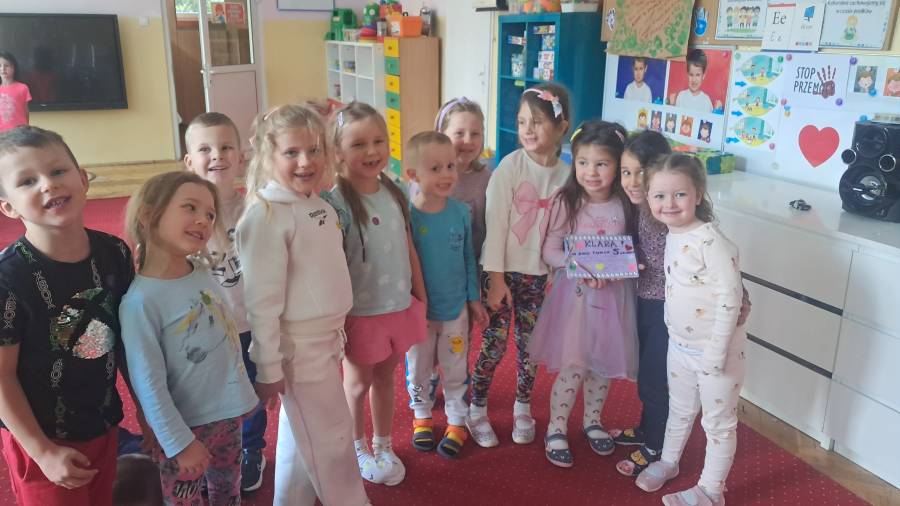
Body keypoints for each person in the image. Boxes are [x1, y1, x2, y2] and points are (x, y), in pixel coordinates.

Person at [237, 104, 370, 505]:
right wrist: (268, 366)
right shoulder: (266, 216)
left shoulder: (316, 204)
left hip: (326, 340)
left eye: (313, 150)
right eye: (291, 152)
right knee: (332, 437)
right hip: (300, 348)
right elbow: (261, 302)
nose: (305, 162)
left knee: (304, 433)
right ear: (268, 156)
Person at [0, 126, 135, 506]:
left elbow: (128, 344)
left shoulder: (115, 254)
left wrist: (148, 414)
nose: (48, 184)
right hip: (41, 438)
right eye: (27, 181)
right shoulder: (8, 279)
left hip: (102, 423)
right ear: (8, 207)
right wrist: (42, 451)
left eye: (58, 171)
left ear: (84, 179)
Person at [120, 171, 258, 505]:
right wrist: (178, 443)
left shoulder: (203, 273)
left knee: (228, 490)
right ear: (149, 215)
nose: (203, 220)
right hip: (183, 429)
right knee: (185, 499)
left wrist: (240, 398)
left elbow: (224, 341)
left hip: (226, 420)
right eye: (190, 207)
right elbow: (148, 383)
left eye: (210, 214)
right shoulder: (141, 302)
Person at [634, 154, 747, 506]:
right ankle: (669, 461)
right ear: (648, 198)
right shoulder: (672, 233)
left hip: (717, 352)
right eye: (659, 195)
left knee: (718, 423)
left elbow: (731, 297)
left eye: (679, 194)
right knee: (680, 408)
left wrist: (716, 351)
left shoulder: (711, 242)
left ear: (698, 194)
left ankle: (712, 491)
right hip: (680, 345)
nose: (669, 204)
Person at [327, 101, 427, 486]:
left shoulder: (395, 190)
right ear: (338, 152)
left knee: (387, 378)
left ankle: (383, 444)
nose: (372, 151)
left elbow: (408, 245)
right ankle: (355, 447)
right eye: (358, 144)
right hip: (360, 314)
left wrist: (420, 295)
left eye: (378, 141)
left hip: (398, 306)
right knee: (356, 385)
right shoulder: (335, 203)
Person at [527, 121, 637, 468]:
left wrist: (620, 269)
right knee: (573, 364)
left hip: (613, 299)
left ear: (617, 165)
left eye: (602, 163)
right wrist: (579, 267)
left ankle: (593, 420)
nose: (591, 172)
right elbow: (550, 250)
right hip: (574, 299)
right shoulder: (567, 201)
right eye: (583, 162)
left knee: (602, 366)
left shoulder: (626, 203)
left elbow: (630, 251)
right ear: (573, 163)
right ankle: (557, 427)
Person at [468, 83, 571, 448]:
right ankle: (476, 408)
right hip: (502, 272)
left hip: (540, 277)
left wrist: (558, 275)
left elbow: (565, 231)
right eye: (522, 121)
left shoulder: (567, 175)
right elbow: (494, 229)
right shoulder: (509, 168)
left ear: (561, 126)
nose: (528, 129)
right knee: (494, 345)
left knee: (531, 349)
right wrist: (495, 279)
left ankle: (523, 407)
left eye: (538, 121)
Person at [182, 112, 268, 493]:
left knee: (251, 392)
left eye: (225, 147)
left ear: (241, 156)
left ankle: (252, 449)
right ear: (189, 161)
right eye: (205, 149)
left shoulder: (255, 208)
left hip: (249, 323)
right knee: (209, 394)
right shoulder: (181, 214)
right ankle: (212, 452)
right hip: (205, 327)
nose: (216, 155)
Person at [404, 131, 489, 459]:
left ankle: (456, 420)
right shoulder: (408, 217)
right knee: (418, 368)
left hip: (455, 310)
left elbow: (468, 256)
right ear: (413, 175)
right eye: (435, 168)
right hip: (419, 314)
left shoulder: (460, 212)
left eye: (450, 166)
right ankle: (421, 415)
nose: (446, 174)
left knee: (455, 368)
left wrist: (473, 298)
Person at [609, 130, 673, 476]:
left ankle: (657, 446)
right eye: (626, 172)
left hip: (667, 308)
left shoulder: (664, 210)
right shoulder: (636, 207)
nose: (632, 181)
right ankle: (647, 429)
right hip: (644, 301)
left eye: (641, 172)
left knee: (654, 378)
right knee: (646, 372)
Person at [424, 96, 492, 400]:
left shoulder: (486, 178)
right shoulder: (427, 177)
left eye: (475, 133)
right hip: (431, 275)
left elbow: (489, 228)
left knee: (459, 334)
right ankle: (427, 379)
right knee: (428, 335)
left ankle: (456, 382)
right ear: (441, 135)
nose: (467, 141)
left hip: (468, 274)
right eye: (459, 133)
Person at [0, 51, 31, 132]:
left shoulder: (23, 88)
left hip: (19, 132)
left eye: (6, 65)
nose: (3, 69)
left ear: (13, 68)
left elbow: (26, 111)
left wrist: (26, 128)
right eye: (0, 66)